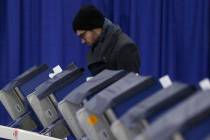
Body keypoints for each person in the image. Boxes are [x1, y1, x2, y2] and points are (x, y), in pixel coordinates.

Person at [72, 5, 140, 75]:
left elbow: (130, 83)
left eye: (83, 35)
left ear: (94, 27)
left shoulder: (125, 47)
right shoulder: (96, 46)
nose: (82, 41)